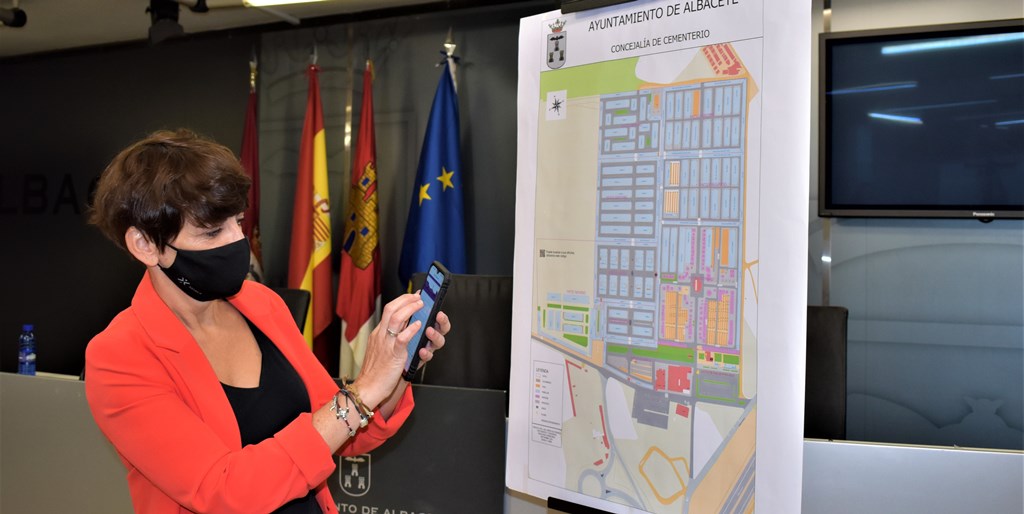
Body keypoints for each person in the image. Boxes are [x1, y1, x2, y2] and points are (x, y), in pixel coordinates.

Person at [84, 129, 449, 514]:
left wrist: (393, 370)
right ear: (144, 245)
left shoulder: (261, 305)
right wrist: (361, 394)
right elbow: (224, 492)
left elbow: (344, 433)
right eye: (212, 232)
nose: (236, 241)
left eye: (238, 222)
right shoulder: (119, 358)